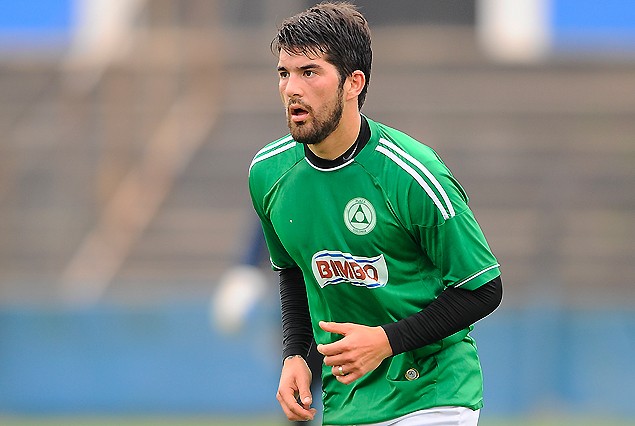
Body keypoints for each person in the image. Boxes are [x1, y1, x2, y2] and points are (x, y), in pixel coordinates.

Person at [248, 2, 503, 425]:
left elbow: (483, 289)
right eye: (284, 73)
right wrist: (296, 354)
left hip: (433, 392)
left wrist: (386, 341)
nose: (292, 88)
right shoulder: (267, 174)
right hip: (348, 400)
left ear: (353, 83)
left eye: (310, 72)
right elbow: (293, 270)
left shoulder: (411, 173)